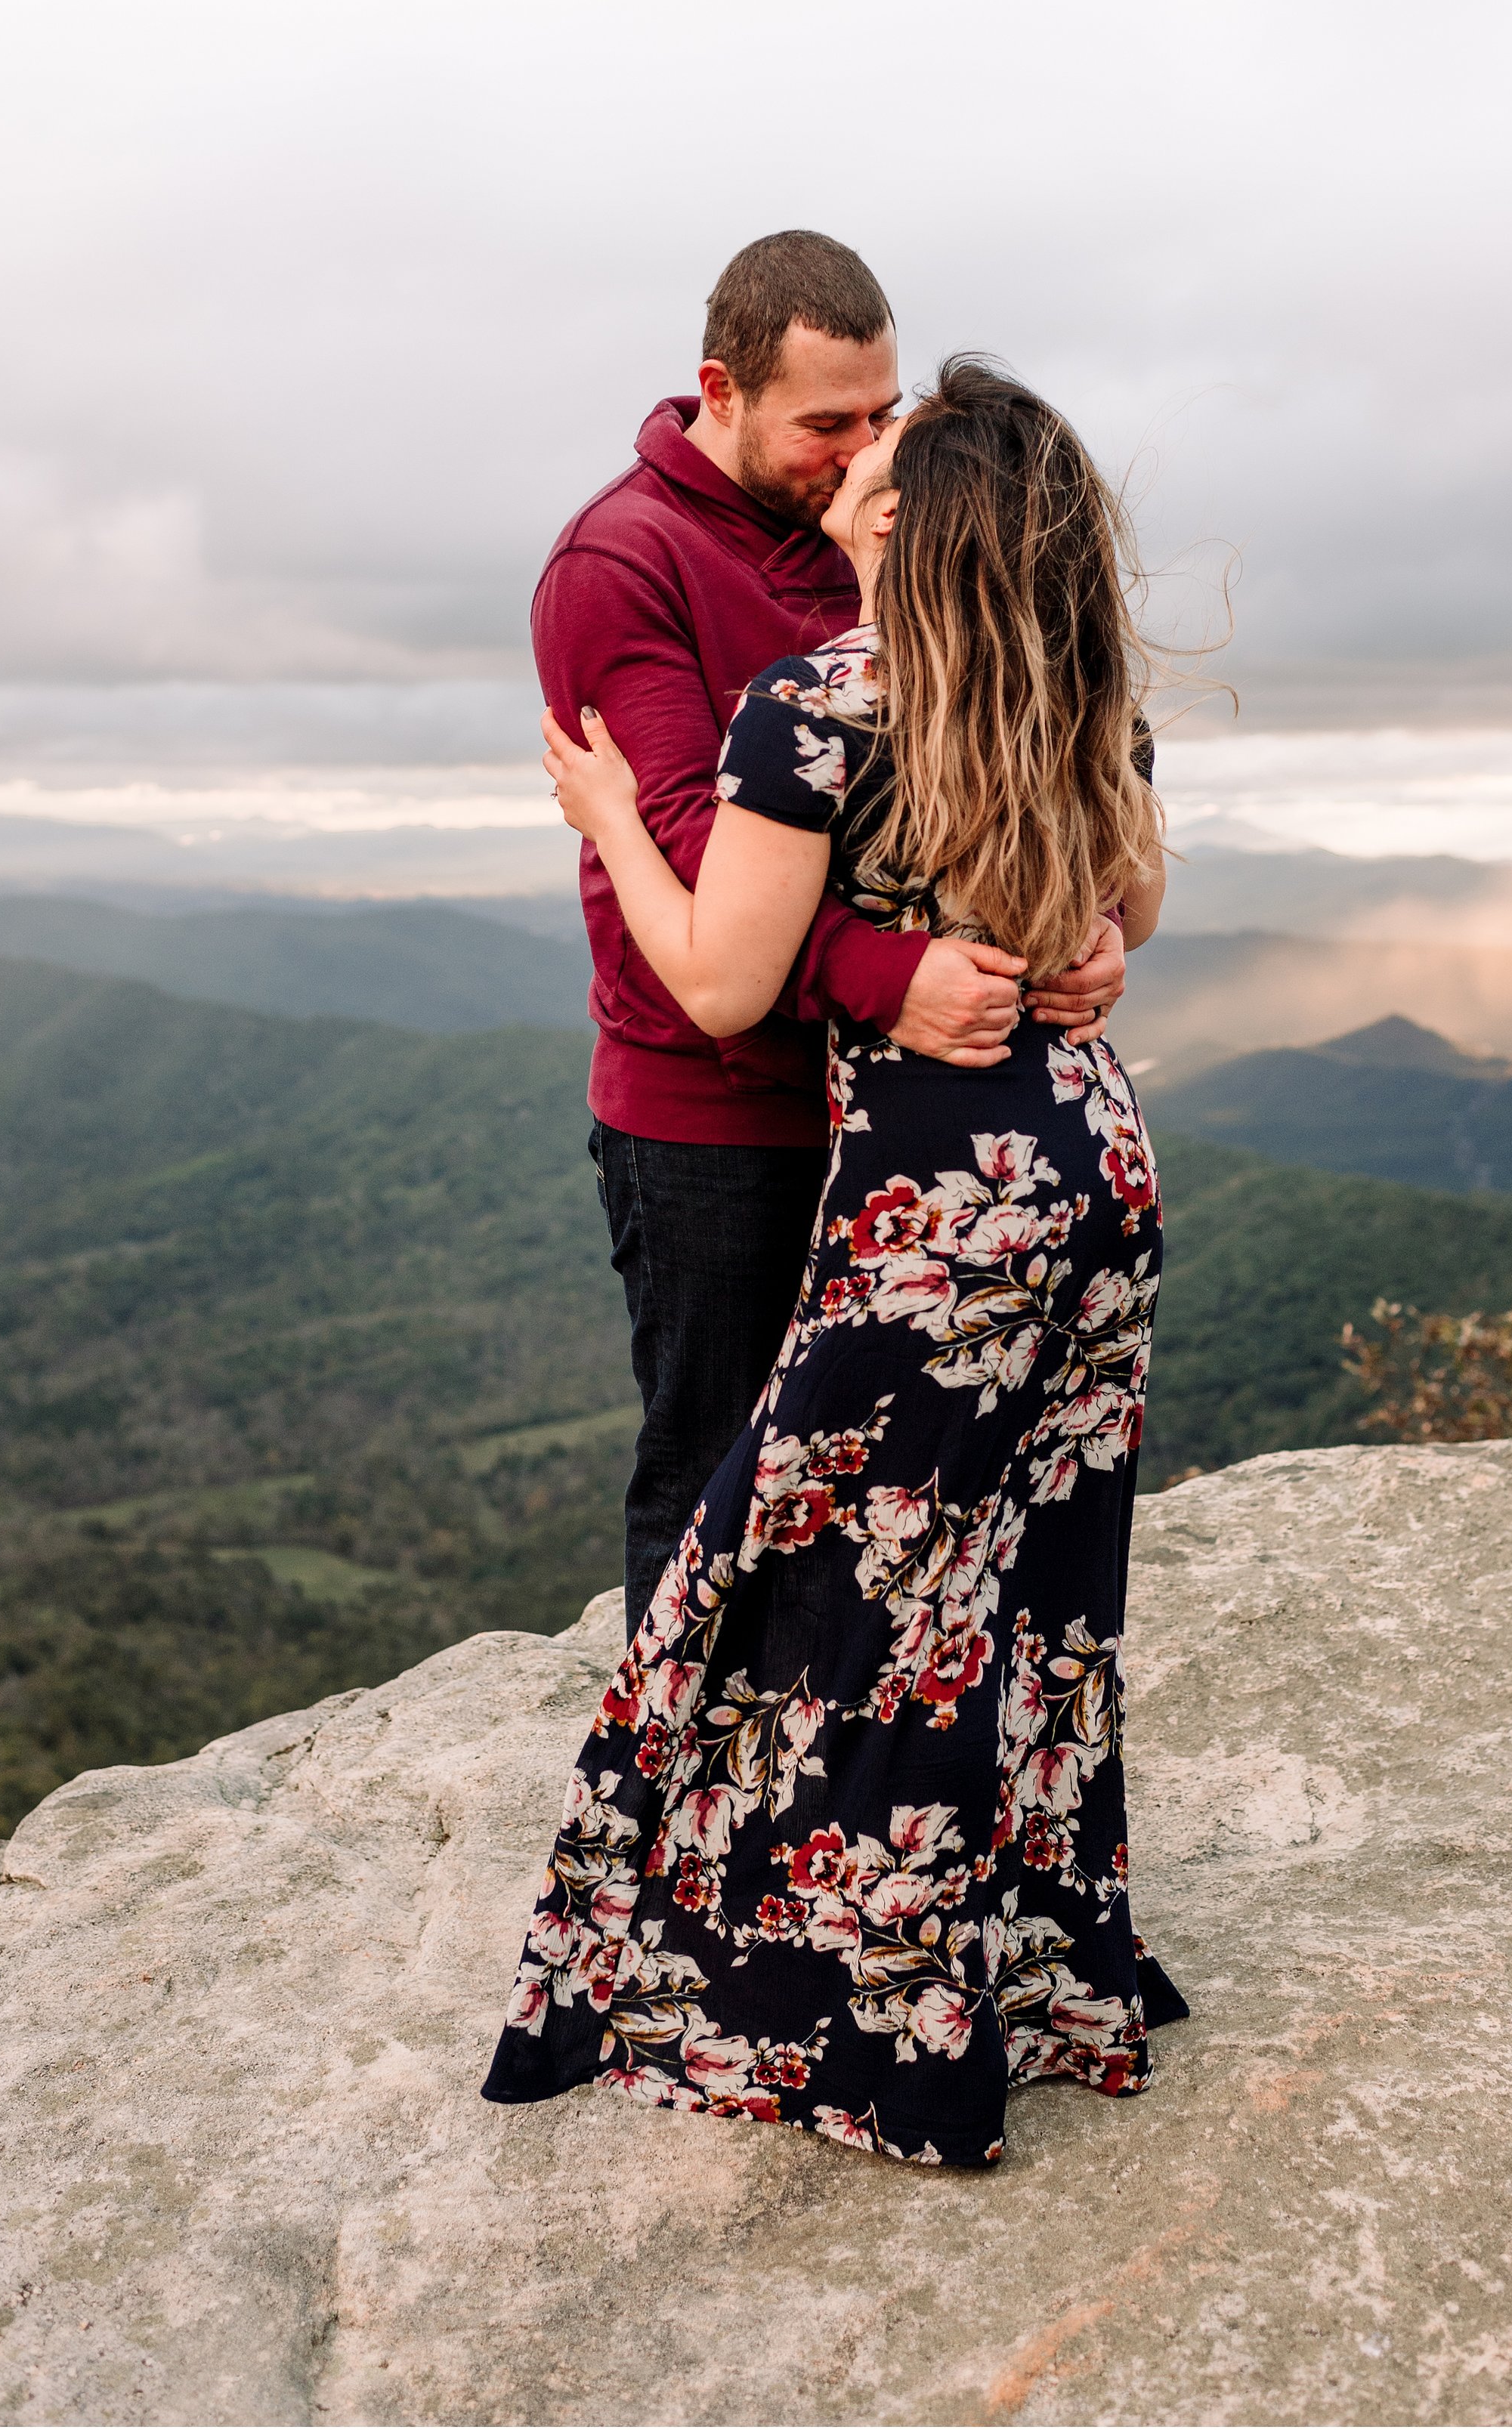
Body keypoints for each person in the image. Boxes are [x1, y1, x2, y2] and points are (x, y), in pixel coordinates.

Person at [483, 357, 1186, 2168]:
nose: (853, 474)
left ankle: (877, 2006)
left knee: (836, 1577)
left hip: (938, 1213)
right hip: (1091, 1167)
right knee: (1032, 1582)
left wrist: (617, 826)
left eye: (880, 463)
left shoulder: (825, 704)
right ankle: (1036, 1965)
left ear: (911, 525)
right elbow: (1133, 905)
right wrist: (1074, 943)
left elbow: (719, 981)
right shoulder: (1067, 684)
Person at [530, 233, 1128, 1637]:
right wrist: (887, 975)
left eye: (883, 414)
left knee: (885, 1492)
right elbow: (684, 847)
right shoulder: (622, 562)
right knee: (715, 1478)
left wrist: (1077, 928)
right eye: (828, 424)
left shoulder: (883, 520)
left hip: (916, 1117)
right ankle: (681, 1813)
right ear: (720, 390)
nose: (866, 451)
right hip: (716, 1115)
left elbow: (992, 754)